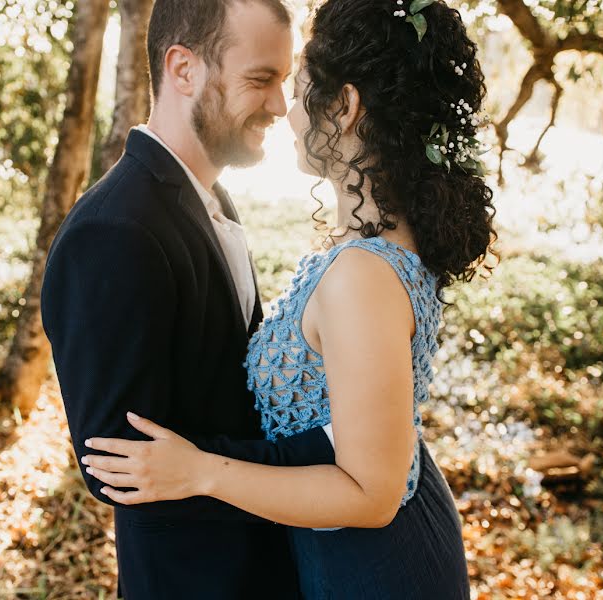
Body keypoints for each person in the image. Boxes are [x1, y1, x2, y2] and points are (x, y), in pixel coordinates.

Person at [82, 0, 498, 598]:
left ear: (347, 107)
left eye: (299, 90)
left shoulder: (363, 273)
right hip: (339, 547)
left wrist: (201, 471)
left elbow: (372, 495)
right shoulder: (378, 245)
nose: (286, 110)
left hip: (375, 565)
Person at [40, 1, 340, 599]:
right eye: (260, 80)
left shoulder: (212, 199)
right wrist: (323, 453)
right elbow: (118, 463)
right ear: (184, 69)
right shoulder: (113, 232)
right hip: (195, 580)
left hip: (265, 566)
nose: (281, 106)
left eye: (283, 81)